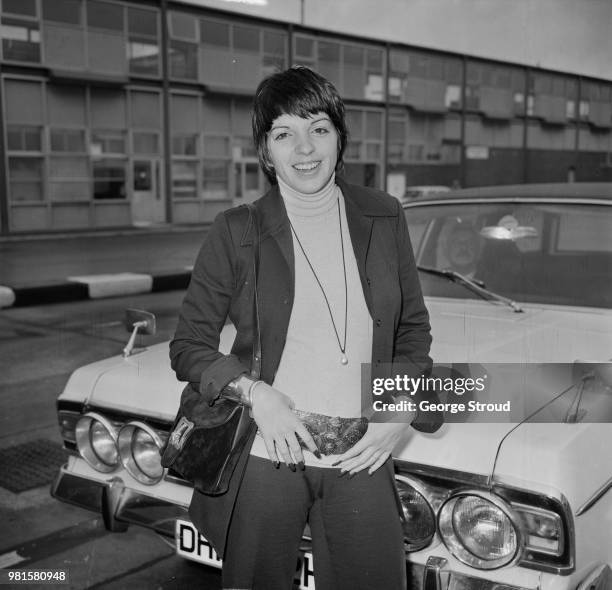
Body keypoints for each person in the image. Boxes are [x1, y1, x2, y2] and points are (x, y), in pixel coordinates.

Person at [170, 66, 441, 590]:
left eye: (318, 127)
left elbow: (412, 329)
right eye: (283, 133)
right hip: (269, 452)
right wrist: (256, 394)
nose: (304, 148)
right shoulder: (237, 230)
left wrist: (400, 407)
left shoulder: (384, 216)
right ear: (265, 151)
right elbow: (189, 347)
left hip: (361, 453)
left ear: (340, 140)